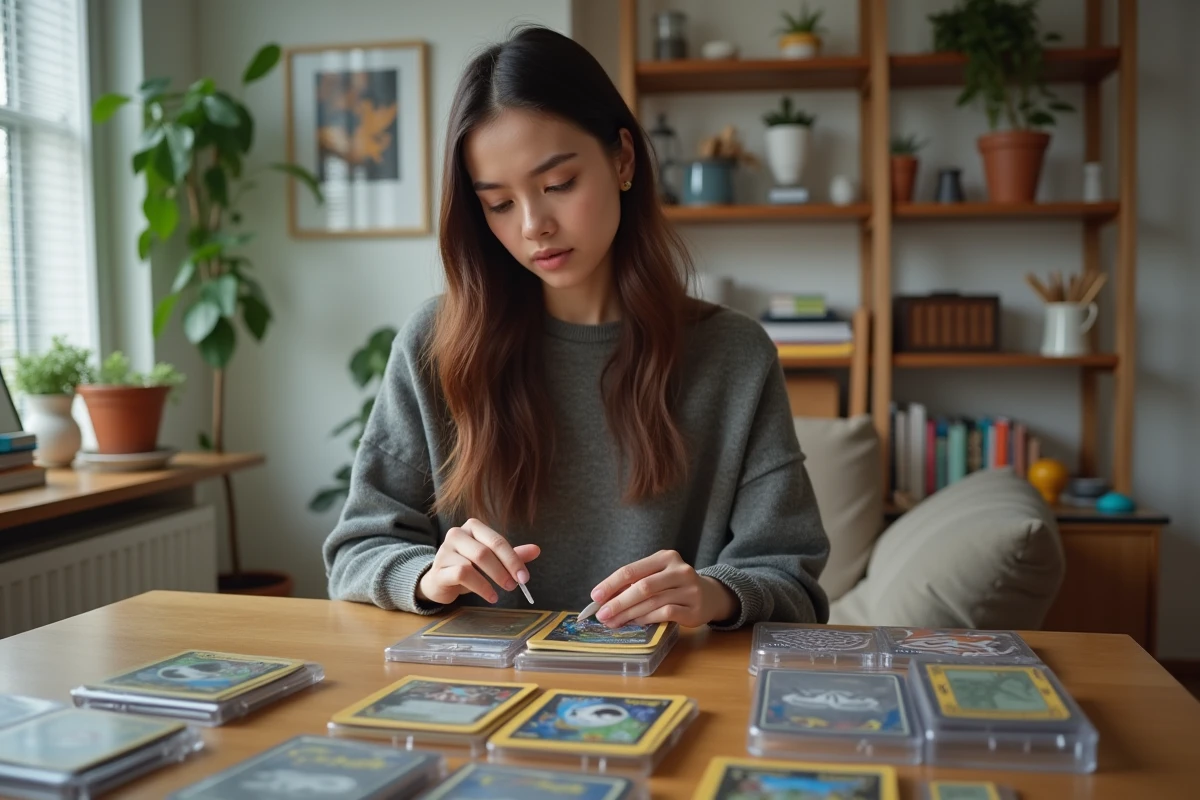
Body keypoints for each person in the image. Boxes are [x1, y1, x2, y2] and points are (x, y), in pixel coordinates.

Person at [322, 25, 829, 631]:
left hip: (667, 680)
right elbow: (357, 552)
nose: (533, 225)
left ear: (622, 158)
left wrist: (714, 594)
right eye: (499, 203)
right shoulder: (435, 344)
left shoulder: (735, 356)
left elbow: (793, 579)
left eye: (558, 184)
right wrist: (429, 575)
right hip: (475, 682)